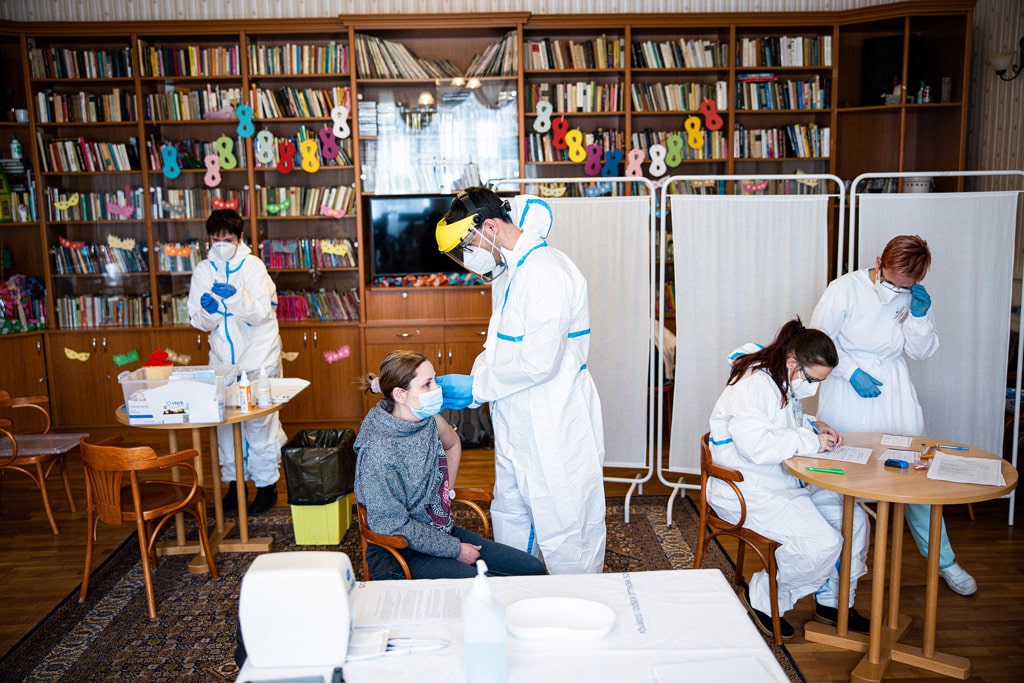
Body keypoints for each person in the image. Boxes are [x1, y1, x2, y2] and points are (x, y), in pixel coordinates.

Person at [432, 187, 606, 575]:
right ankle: (519, 593)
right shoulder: (512, 272)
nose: (469, 256)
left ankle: (576, 603)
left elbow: (540, 363)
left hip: (553, 422)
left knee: (565, 525)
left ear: (490, 226)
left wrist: (477, 388)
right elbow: (501, 347)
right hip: (516, 419)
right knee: (512, 513)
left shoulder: (546, 272)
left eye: (468, 244)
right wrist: (474, 381)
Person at [810, 234, 976, 596]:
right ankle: (828, 576)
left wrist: (919, 316)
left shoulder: (914, 295)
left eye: (906, 285)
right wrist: (851, 371)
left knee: (915, 476)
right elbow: (818, 341)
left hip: (894, 388)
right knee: (838, 478)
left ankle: (944, 561)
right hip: (848, 387)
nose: (898, 290)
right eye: (893, 282)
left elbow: (921, 351)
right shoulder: (844, 289)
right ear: (878, 262)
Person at [708, 319, 872, 640]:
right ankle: (765, 597)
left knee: (854, 522)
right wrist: (811, 441)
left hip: (780, 481)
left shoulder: (779, 377)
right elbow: (756, 446)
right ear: (794, 362)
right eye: (813, 379)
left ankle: (833, 603)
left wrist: (814, 425)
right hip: (749, 488)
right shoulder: (753, 387)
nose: (813, 387)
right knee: (823, 544)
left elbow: (782, 421)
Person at [353, 350, 548, 580]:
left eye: (435, 380)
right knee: (485, 587)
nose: (438, 389)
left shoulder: (427, 420)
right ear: (400, 394)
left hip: (438, 533)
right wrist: (454, 549)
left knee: (532, 568)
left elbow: (453, 443)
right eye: (427, 384)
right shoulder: (377, 451)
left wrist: (447, 490)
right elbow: (392, 525)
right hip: (398, 552)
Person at [187, 209, 286, 516]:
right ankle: (235, 485)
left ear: (240, 238)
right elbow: (199, 321)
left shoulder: (253, 267)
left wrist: (234, 297)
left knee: (259, 424)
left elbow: (261, 313)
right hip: (222, 361)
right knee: (226, 425)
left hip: (259, 357)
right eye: (215, 239)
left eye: (227, 239)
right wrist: (209, 311)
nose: (221, 245)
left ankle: (266, 486)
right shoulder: (203, 270)